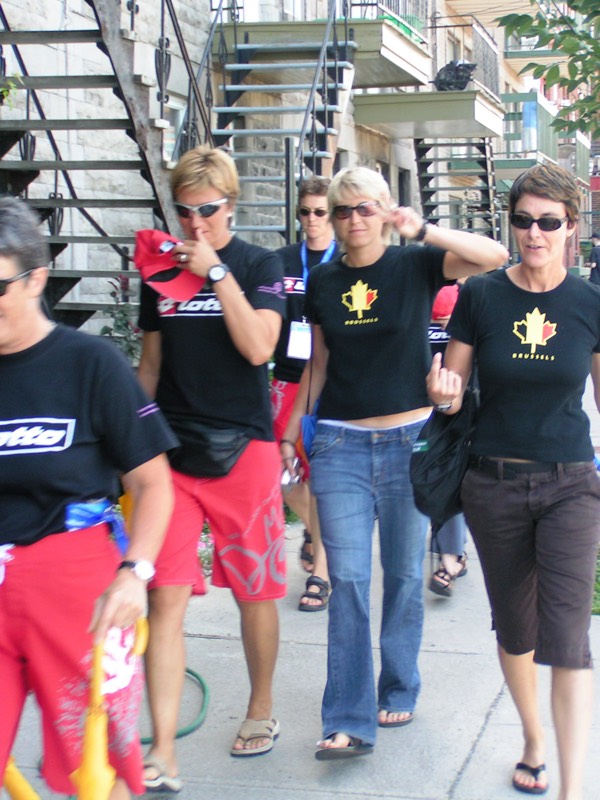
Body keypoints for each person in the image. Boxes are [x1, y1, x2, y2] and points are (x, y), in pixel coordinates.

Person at [281, 166, 508, 759]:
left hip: (409, 442)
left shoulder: (415, 263)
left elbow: (493, 256)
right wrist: (293, 430)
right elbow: (318, 365)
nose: (353, 219)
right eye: (342, 210)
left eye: (366, 207)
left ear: (385, 210)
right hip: (340, 446)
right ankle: (348, 717)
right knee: (349, 580)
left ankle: (400, 683)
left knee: (405, 575)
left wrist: (422, 229)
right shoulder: (323, 281)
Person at [427, 163, 600, 798]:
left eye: (549, 222)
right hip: (493, 483)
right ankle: (532, 739)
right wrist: (442, 393)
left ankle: (573, 789)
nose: (534, 233)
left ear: (571, 227)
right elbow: (452, 388)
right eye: (523, 220)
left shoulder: (589, 303)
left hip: (570, 483)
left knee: (569, 637)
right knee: (515, 629)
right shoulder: (481, 295)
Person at [0, 196, 176, 799]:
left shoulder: (90, 364)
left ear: (36, 279)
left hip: (77, 586)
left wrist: (135, 573)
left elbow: (153, 483)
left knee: (96, 771)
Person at [136, 145, 287, 788]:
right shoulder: (159, 271)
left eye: (208, 209)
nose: (195, 223)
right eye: (184, 211)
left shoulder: (258, 264)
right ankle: (163, 750)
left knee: (255, 591)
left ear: (231, 204)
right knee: (163, 597)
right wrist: (131, 448)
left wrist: (217, 273)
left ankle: (260, 709)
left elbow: (259, 348)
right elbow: (150, 366)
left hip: (244, 449)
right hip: (173, 455)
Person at [272, 175, 337, 611]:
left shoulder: (344, 261)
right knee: (278, 474)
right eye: (305, 212)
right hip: (286, 377)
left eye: (320, 212)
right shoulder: (280, 261)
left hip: (329, 380)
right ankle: (316, 528)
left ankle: (322, 575)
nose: (312, 220)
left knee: (323, 478)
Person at [427, 283, 468, 597]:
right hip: (413, 409)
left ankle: (450, 558)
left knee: (446, 479)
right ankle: (451, 555)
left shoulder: (471, 302)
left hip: (454, 409)